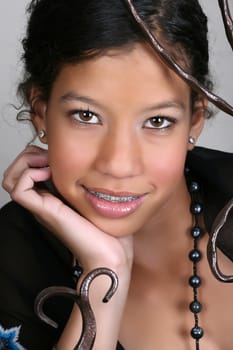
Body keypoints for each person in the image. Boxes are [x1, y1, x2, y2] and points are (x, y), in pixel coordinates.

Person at [1, 0, 233, 349]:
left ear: (194, 120)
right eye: (86, 116)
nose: (119, 164)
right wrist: (105, 276)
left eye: (157, 121)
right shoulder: (10, 259)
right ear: (41, 112)